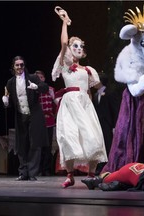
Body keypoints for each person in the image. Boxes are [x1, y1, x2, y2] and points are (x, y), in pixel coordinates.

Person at [51, 7, 107, 188]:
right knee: (69, 136)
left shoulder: (89, 70)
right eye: (75, 46)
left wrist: (95, 99)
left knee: (93, 137)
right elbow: (64, 43)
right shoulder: (65, 65)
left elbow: (94, 90)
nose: (78, 48)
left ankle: (91, 174)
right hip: (69, 103)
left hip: (84, 104)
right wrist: (65, 22)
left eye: (81, 46)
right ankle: (69, 175)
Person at [2, 56, 49, 181]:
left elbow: (45, 88)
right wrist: (6, 102)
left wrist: (37, 87)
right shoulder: (10, 82)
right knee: (21, 144)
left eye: (21, 65)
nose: (19, 67)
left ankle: (32, 173)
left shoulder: (32, 78)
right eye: (17, 65)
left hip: (34, 114)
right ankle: (23, 172)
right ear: (13, 66)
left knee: (34, 144)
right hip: (20, 115)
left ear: (24, 66)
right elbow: (12, 101)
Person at [92, 72, 121, 175]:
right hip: (98, 125)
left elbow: (115, 109)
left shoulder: (110, 93)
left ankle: (108, 167)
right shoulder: (95, 95)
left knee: (108, 145)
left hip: (107, 124)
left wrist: (115, 125)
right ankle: (99, 167)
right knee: (99, 146)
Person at [35, 70, 56, 176]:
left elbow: (55, 105)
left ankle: (46, 169)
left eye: (41, 77)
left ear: (44, 79)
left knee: (47, 146)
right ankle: (37, 169)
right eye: (37, 78)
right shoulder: (34, 91)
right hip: (38, 122)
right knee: (39, 146)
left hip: (49, 121)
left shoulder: (50, 90)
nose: (40, 80)